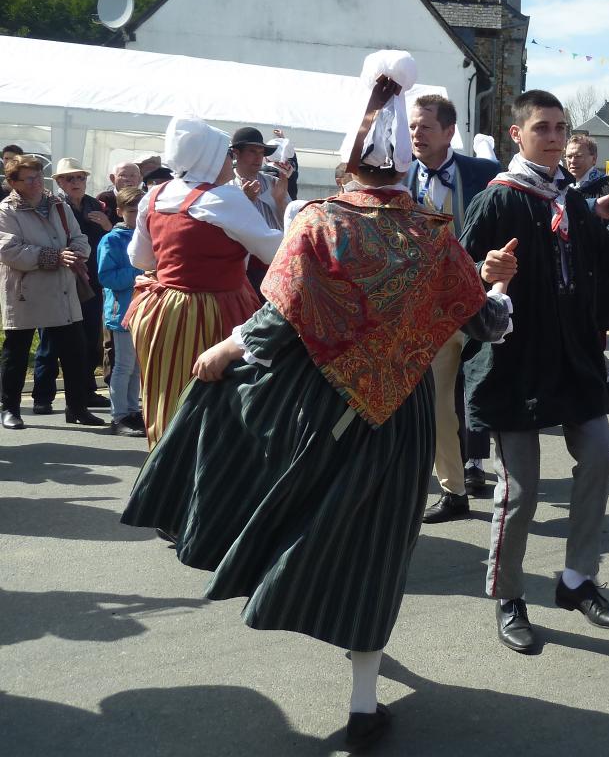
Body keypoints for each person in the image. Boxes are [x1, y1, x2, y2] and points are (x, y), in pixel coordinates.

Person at [121, 57, 515, 749]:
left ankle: (269, 584)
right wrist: (495, 286)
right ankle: (364, 702)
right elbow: (485, 323)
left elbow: (275, 324)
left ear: (349, 160)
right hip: (401, 421)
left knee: (309, 523)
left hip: (324, 412)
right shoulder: (431, 232)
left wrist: (222, 353)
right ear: (399, 165)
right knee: (378, 552)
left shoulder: (317, 221)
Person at [460, 88, 609, 654]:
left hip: (573, 361)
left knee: (600, 457)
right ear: (517, 134)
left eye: (561, 127)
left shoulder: (569, 200)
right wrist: (482, 269)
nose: (555, 136)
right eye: (542, 127)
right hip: (515, 364)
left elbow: (600, 255)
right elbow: (458, 280)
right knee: (522, 492)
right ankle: (509, 596)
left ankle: (576, 579)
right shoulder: (498, 200)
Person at [127, 117, 283, 448]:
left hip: (162, 309)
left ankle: (162, 468)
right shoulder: (221, 199)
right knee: (218, 397)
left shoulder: (154, 195)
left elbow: (140, 260)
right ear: (209, 157)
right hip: (214, 307)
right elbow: (275, 251)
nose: (230, 160)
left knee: (166, 393)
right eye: (226, 153)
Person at [403, 93, 502, 524]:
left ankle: (503, 476)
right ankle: (453, 490)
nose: (416, 135)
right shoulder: (400, 177)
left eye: (425, 127)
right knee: (439, 401)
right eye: (411, 127)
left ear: (448, 132)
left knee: (487, 394)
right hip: (430, 311)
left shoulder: (483, 173)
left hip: (478, 303)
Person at [0, 154, 103, 429]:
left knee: (75, 351)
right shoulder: (6, 211)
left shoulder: (58, 205)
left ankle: (77, 407)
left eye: (38, 176)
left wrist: (78, 252)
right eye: (29, 178)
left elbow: (80, 237)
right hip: (25, 291)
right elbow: (9, 251)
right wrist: (54, 256)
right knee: (17, 352)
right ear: (13, 182)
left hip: (61, 288)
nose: (36, 182)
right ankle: (10, 408)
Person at [32, 158, 112, 415]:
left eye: (80, 177)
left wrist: (107, 225)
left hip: (91, 282)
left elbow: (113, 239)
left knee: (89, 341)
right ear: (59, 182)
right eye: (69, 178)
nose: (76, 182)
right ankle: (42, 396)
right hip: (59, 279)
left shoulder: (96, 205)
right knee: (50, 342)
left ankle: (86, 392)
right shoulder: (52, 206)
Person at [97, 186, 145, 437]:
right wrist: (139, 271)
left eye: (141, 210)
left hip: (142, 310)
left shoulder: (146, 236)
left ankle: (131, 409)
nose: (137, 215)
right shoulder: (111, 240)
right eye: (131, 210)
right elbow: (107, 277)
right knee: (123, 365)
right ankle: (119, 416)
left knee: (136, 366)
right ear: (119, 212)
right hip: (122, 310)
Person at [230, 126, 293, 296]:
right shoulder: (227, 186)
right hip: (242, 266)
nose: (258, 158)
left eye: (261, 152)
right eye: (252, 151)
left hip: (275, 262)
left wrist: (280, 201)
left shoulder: (274, 182)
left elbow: (292, 225)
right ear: (237, 153)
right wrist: (244, 202)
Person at [565, 133, 609, 208]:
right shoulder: (562, 188)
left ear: (594, 159)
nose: (572, 161)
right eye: (569, 156)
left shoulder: (607, 188)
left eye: (578, 156)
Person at [97, 160, 142, 225]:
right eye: (123, 175)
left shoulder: (145, 199)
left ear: (140, 179)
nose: (128, 179)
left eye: (133, 175)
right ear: (112, 178)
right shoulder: (104, 198)